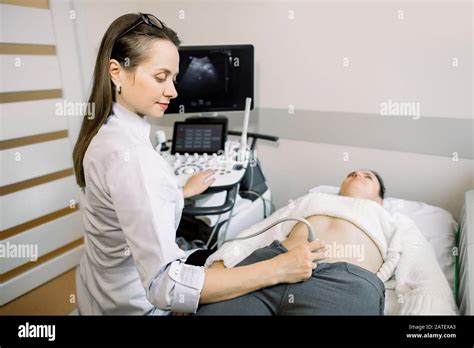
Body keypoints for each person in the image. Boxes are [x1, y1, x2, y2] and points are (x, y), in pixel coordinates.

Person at [72, 13, 327, 315]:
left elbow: (127, 207)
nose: (173, 91)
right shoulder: (132, 158)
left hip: (101, 292)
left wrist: (179, 193)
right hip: (137, 305)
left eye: (174, 78)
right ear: (116, 72)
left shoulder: (105, 133)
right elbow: (166, 287)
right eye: (160, 77)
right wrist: (279, 269)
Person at [197, 170, 456, 315]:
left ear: (380, 199)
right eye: (352, 173)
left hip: (343, 286)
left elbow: (426, 278)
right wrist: (214, 272)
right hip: (270, 268)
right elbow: (257, 233)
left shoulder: (391, 218)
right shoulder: (309, 201)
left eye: (368, 177)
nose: (358, 174)